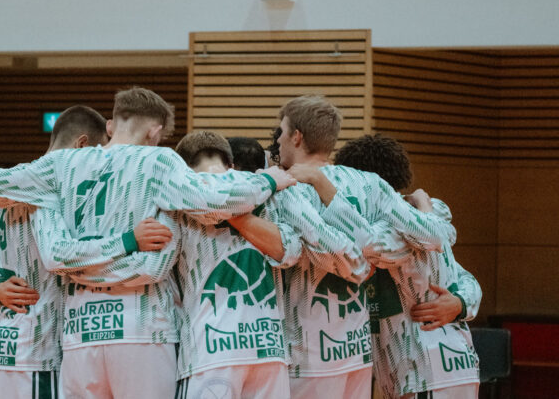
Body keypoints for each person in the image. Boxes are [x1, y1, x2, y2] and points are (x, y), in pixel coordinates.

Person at [0, 87, 295, 398]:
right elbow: (210, 202)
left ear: (110, 125)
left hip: (80, 332)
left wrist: (79, 269)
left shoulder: (61, 165)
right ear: (156, 132)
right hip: (142, 330)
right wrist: (267, 180)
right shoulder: (159, 162)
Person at [0, 105, 173, 399]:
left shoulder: (13, 188)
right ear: (82, 145)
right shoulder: (53, 188)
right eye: (98, 152)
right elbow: (60, 255)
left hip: (0, 344)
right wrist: (129, 241)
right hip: (38, 349)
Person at [274, 95, 458, 399]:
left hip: (307, 351)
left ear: (297, 136)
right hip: (356, 350)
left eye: (281, 132)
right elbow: (435, 236)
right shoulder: (373, 183)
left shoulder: (285, 187)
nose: (278, 140)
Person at [170, 131, 373, 399]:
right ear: (230, 163)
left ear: (183, 166)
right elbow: (291, 252)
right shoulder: (273, 189)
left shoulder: (179, 195)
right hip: (269, 350)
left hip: (208, 350)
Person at [334, 134, 481, 399]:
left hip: (427, 366)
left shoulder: (396, 227)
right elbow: (466, 277)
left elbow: (363, 242)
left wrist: (458, 303)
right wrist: (460, 303)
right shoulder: (419, 217)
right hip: (439, 363)